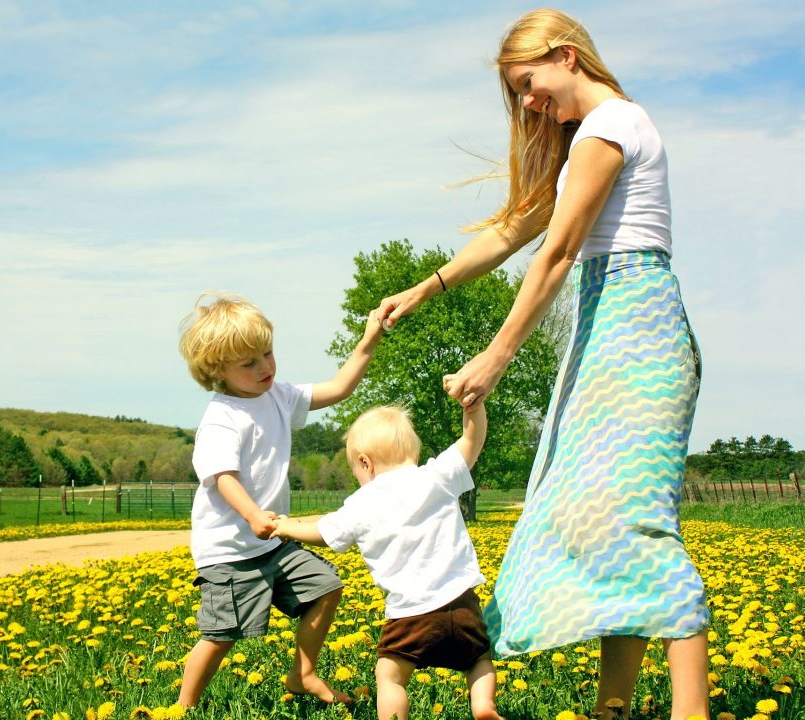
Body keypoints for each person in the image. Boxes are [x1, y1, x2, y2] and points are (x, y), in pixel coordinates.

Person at [375, 9, 709, 719]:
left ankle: (691, 711)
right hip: (608, 328)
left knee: (635, 522)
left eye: (529, 84)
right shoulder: (586, 139)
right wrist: (424, 287)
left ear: (566, 56)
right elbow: (511, 231)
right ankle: (612, 708)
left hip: (638, 332)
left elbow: (555, 256)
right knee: (596, 520)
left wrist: (493, 360)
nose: (528, 103)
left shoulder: (612, 125)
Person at [175, 292, 385, 707]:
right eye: (249, 363)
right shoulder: (222, 417)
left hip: (272, 541)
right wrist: (253, 515)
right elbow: (223, 478)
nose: (265, 367)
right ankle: (182, 708)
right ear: (217, 369)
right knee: (220, 636)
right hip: (231, 551)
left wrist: (370, 337)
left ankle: (302, 674)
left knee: (326, 587)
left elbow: (340, 388)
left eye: (267, 353)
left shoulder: (279, 396)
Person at [274, 404, 503, 720]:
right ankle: (483, 706)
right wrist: (473, 406)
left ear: (365, 462)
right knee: (478, 659)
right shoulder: (437, 476)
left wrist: (286, 527)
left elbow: (323, 533)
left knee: (390, 676)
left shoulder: (361, 503)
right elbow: (471, 439)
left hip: (409, 615)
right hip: (463, 606)